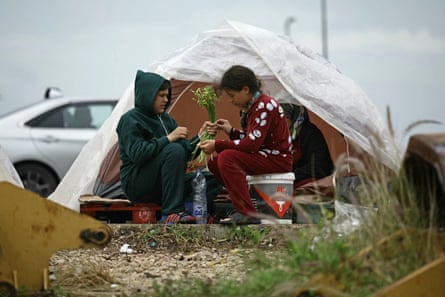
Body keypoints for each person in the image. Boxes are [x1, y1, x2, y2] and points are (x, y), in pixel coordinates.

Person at [116, 70, 220, 224]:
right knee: (174, 149)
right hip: (138, 184)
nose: (165, 100)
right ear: (147, 94)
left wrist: (200, 136)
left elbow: (183, 151)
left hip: (167, 185)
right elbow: (138, 154)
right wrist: (169, 138)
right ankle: (172, 213)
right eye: (161, 95)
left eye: (167, 95)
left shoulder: (166, 120)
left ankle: (192, 212)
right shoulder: (130, 120)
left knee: (213, 176)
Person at [199, 65, 293, 224]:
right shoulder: (255, 106)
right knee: (215, 162)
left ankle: (246, 212)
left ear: (245, 90)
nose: (231, 100)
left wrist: (218, 144)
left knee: (226, 158)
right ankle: (242, 203)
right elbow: (254, 139)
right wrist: (231, 132)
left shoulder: (264, 105)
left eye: (232, 95)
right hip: (264, 155)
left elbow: (251, 145)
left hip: (277, 159)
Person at [280, 103, 334, 190]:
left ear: (292, 115)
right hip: (290, 183)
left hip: (313, 182)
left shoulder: (310, 133)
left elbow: (320, 167)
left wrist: (291, 176)